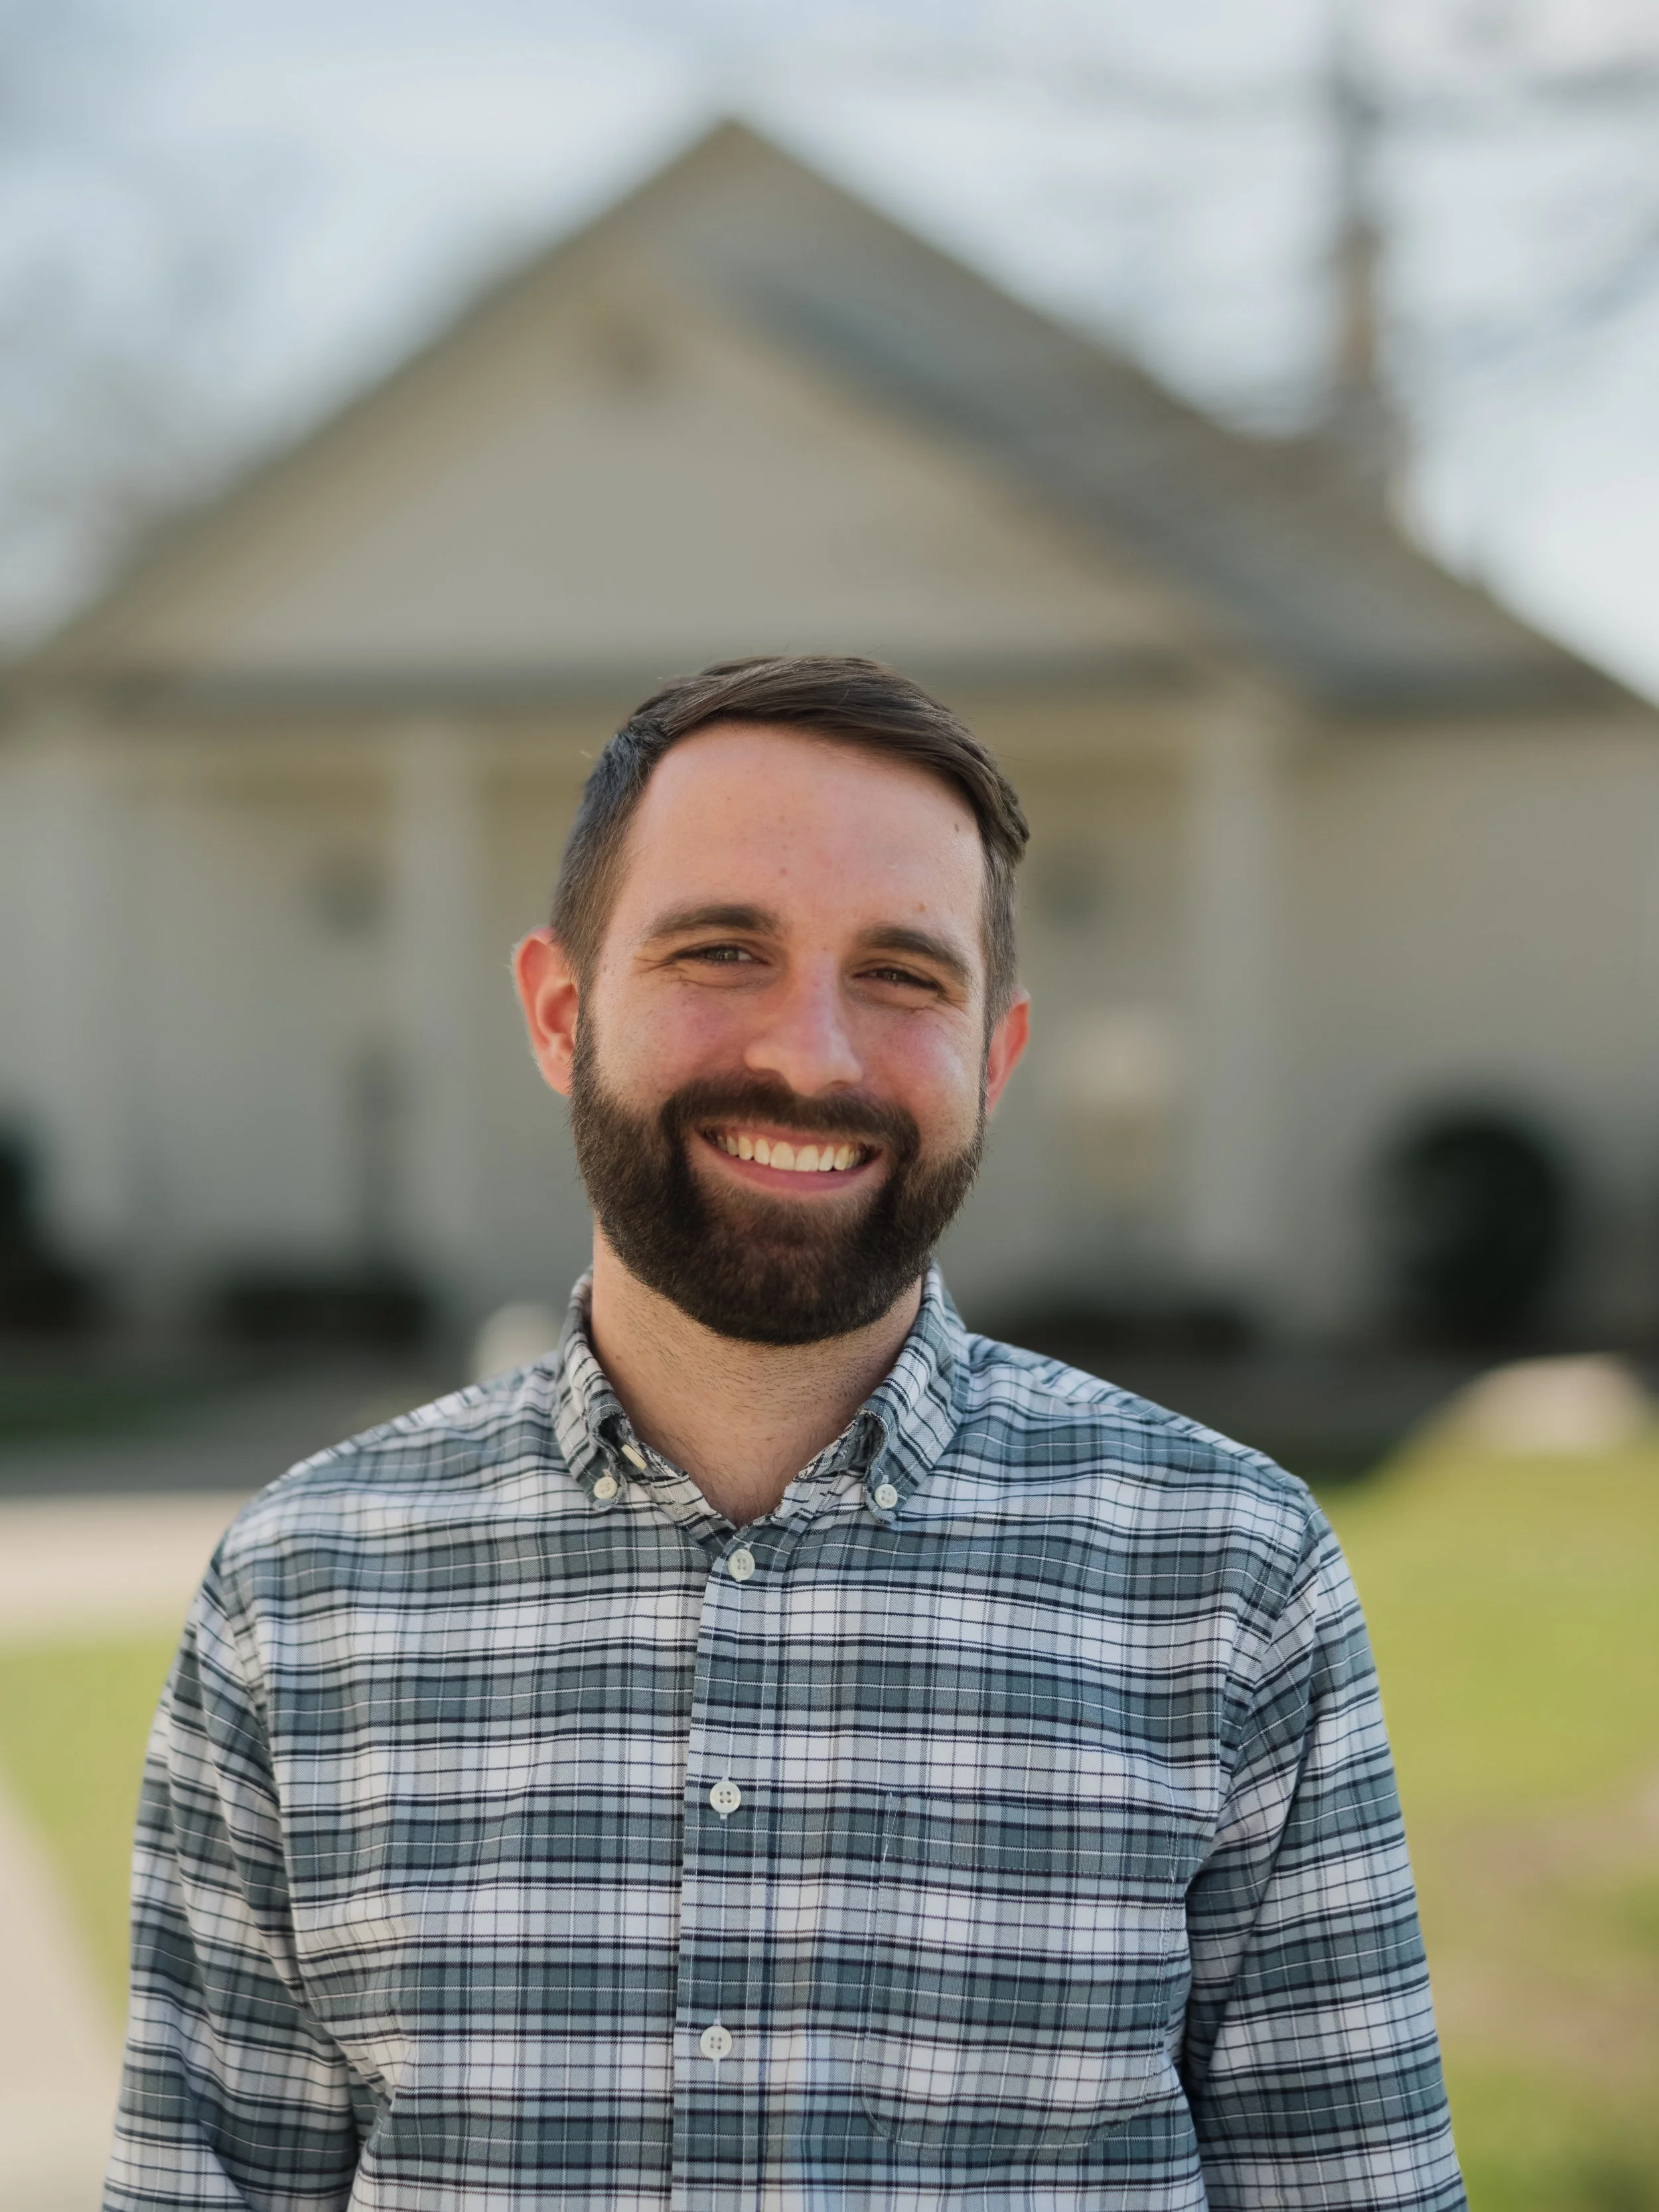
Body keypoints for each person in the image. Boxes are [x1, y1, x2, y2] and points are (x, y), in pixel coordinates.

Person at [106, 656, 1465, 2211]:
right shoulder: (299, 1597)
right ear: (561, 1013)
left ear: (991, 1059)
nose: (812, 1055)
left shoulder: (1229, 1579)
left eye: (901, 974)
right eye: (722, 948)